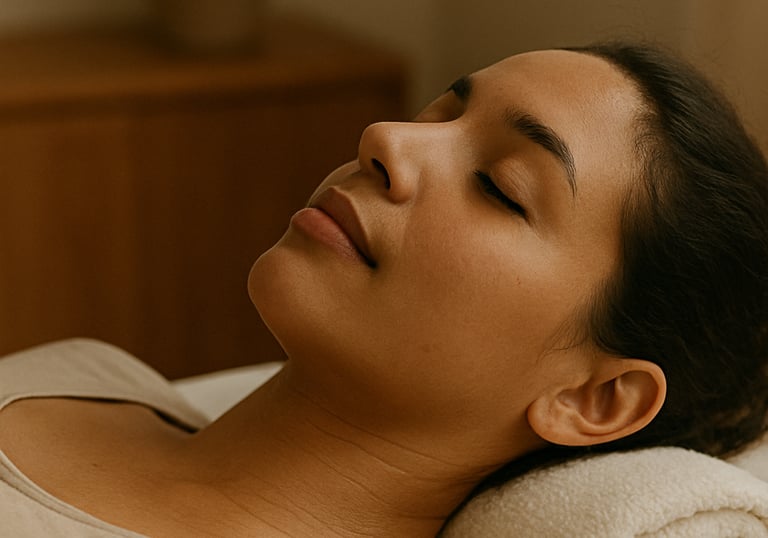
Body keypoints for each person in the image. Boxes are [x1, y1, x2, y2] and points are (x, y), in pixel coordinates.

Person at [0, 41, 766, 537]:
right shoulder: (92, 376)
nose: (386, 140)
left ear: (593, 400)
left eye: (500, 188)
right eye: (442, 113)